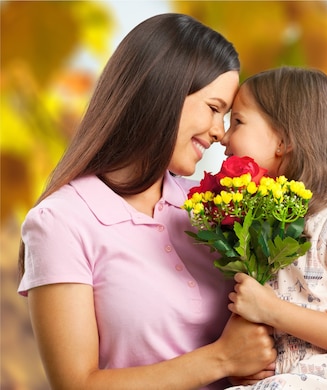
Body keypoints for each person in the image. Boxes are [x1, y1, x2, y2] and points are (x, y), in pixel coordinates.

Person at [16, 13, 276, 390]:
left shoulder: (205, 204)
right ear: (165, 92)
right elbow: (75, 384)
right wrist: (220, 358)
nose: (221, 134)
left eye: (228, 117)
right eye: (214, 108)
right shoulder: (61, 221)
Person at [220, 66, 327, 389]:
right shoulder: (252, 227)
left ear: (283, 141)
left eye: (238, 122)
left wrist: (273, 311)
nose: (224, 137)